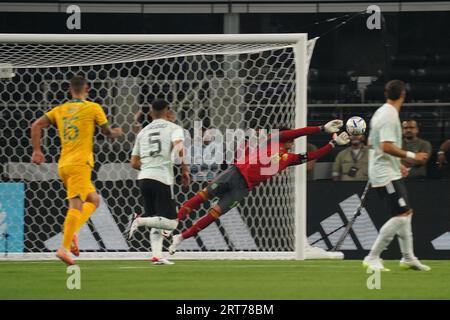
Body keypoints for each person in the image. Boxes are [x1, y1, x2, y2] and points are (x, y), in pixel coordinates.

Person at [169, 120, 350, 255]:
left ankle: (180, 238)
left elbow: (311, 155)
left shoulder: (289, 159)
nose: (293, 142)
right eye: (291, 139)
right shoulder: (274, 139)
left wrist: (332, 145)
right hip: (235, 173)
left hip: (243, 188)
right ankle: (172, 223)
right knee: (203, 196)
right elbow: (298, 132)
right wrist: (321, 129)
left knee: (214, 213)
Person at [31, 75, 123, 265]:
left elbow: (36, 125)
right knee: (76, 206)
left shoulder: (60, 109)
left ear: (69, 90)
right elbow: (107, 133)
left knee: (94, 200)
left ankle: (71, 233)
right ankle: (63, 248)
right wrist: (117, 132)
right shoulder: (92, 107)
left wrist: (37, 150)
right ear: (87, 89)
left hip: (64, 164)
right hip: (80, 164)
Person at [363, 80, 430, 272]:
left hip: (388, 171)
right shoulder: (389, 116)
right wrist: (412, 156)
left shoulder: (380, 112)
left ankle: (408, 257)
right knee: (402, 216)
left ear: (386, 94)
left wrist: (398, 164)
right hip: (384, 175)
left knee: (405, 214)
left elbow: (372, 144)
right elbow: (385, 146)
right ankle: (373, 256)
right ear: (403, 95)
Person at [127, 99, 190, 265]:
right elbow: (179, 147)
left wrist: (149, 165)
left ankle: (156, 256)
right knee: (171, 222)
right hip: (161, 178)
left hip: (144, 178)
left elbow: (133, 162)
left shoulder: (143, 132)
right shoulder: (174, 128)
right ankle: (138, 220)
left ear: (150, 113)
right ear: (168, 112)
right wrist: (185, 169)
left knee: (157, 219)